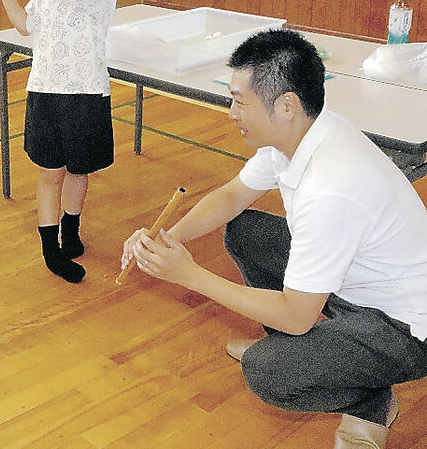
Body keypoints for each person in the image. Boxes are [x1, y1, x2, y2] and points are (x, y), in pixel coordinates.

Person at [122, 30, 427, 449]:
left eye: (238, 101)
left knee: (269, 373)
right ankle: (319, 357)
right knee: (247, 230)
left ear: (286, 105)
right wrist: (166, 238)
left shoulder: (331, 187)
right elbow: (232, 196)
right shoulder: (300, 134)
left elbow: (296, 315)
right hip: (356, 284)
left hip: (406, 329)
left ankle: (370, 402)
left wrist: (190, 275)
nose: (231, 112)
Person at [0, 0, 119, 283]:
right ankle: (51, 249)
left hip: (86, 93)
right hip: (45, 92)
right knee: (50, 173)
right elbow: (26, 27)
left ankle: (71, 230)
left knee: (79, 171)